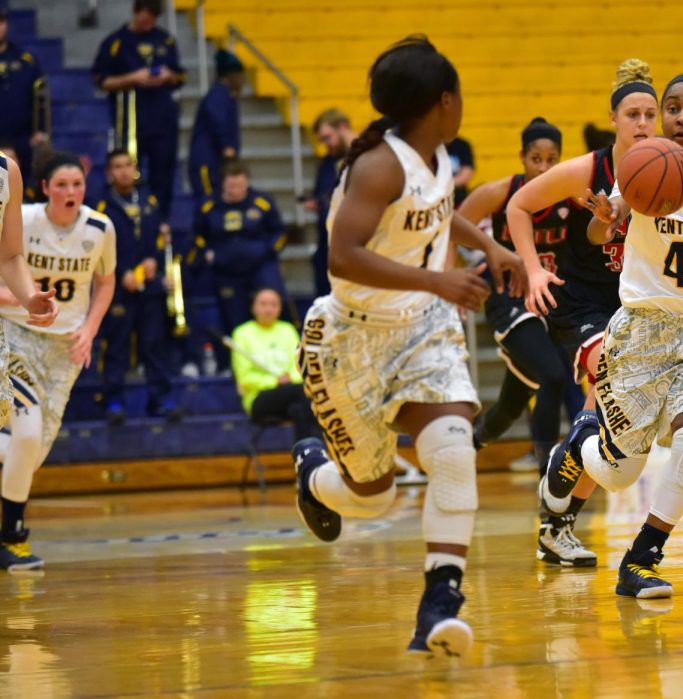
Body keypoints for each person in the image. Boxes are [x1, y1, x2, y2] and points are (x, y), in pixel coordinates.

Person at [293, 36, 523, 657]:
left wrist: (492, 247)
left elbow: (439, 212)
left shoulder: (435, 153)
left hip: (422, 328)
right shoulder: (378, 166)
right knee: (373, 500)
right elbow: (343, 255)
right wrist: (439, 278)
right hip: (350, 337)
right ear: (444, 101)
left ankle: (439, 604)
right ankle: (314, 476)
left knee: (453, 452)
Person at [539, 68, 683, 598]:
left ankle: (641, 558)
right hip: (642, 331)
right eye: (673, 108)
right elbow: (602, 229)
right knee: (618, 473)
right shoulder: (640, 166)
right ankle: (576, 446)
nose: (682, 117)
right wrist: (603, 218)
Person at [506, 58, 659, 567]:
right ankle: (560, 487)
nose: (642, 124)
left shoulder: (668, 168)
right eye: (632, 114)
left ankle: (557, 522)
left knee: (612, 426)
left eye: (649, 115)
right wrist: (531, 270)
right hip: (583, 304)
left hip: (634, 304)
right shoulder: (588, 170)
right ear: (614, 119)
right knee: (609, 390)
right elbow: (517, 207)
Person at [0, 152, 115, 570]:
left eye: (77, 184)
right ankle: (13, 539)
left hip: (63, 345)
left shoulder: (100, 228)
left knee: (32, 451)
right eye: (61, 185)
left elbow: (106, 281)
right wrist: (15, 298)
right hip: (13, 336)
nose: (70, 192)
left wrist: (89, 328)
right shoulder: (23, 217)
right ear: (44, 188)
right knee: (26, 437)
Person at [456, 117, 567, 474]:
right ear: (522, 157)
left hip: (549, 306)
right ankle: (548, 479)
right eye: (537, 159)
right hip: (511, 302)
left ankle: (463, 450)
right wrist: (458, 272)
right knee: (552, 376)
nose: (544, 167)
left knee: (509, 406)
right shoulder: (500, 192)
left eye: (552, 160)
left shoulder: (570, 197)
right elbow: (452, 227)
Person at [95, 149, 181, 424]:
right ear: (109, 172)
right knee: (117, 345)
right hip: (117, 286)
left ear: (135, 168)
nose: (123, 171)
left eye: (128, 165)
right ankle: (114, 401)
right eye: (117, 166)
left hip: (150, 285)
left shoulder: (149, 200)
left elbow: (159, 238)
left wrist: (153, 261)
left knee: (154, 344)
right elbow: (96, 245)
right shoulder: (100, 205)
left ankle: (161, 399)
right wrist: (122, 272)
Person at [92, 0, 186, 221]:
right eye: (145, 17)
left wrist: (167, 76)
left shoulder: (165, 39)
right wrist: (132, 78)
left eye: (153, 18)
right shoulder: (115, 42)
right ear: (135, 12)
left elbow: (180, 77)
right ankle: (126, 218)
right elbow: (101, 81)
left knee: (164, 172)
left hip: (163, 118)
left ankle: (159, 222)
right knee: (127, 171)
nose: (149, 22)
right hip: (130, 118)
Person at [194, 160, 289, 368]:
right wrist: (207, 254)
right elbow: (197, 236)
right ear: (223, 185)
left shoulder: (262, 201)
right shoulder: (208, 206)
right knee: (233, 317)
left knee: (271, 303)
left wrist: (269, 251)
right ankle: (234, 364)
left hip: (259, 266)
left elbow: (280, 232)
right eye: (232, 186)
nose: (236, 190)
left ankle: (281, 356)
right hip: (226, 270)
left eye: (240, 185)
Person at [231, 288, 318, 440]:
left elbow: (299, 365)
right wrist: (274, 381)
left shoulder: (288, 330)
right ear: (253, 307)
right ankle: (321, 451)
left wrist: (290, 378)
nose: (268, 309)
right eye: (263, 304)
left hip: (291, 391)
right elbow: (244, 378)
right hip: (258, 398)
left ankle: (305, 454)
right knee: (305, 393)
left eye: (273, 304)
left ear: (280, 308)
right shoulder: (242, 333)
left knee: (298, 409)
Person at [306, 109, 357, 297]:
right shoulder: (327, 162)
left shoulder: (363, 155)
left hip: (353, 240)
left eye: (328, 137)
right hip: (327, 240)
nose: (326, 144)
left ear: (342, 128)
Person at [188, 49, 245, 204]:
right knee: (208, 203)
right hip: (207, 161)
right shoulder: (218, 94)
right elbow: (218, 121)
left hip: (214, 160)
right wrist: (227, 145)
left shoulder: (224, 94)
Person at [0, 9, 48, 184]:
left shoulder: (26, 60)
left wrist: (40, 129)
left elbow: (40, 97)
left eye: (1, 22)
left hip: (22, 137)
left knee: (22, 182)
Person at [446, 136, 475, 204]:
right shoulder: (430, 146)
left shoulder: (462, 145)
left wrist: (443, 186)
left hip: (457, 194)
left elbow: (466, 174)